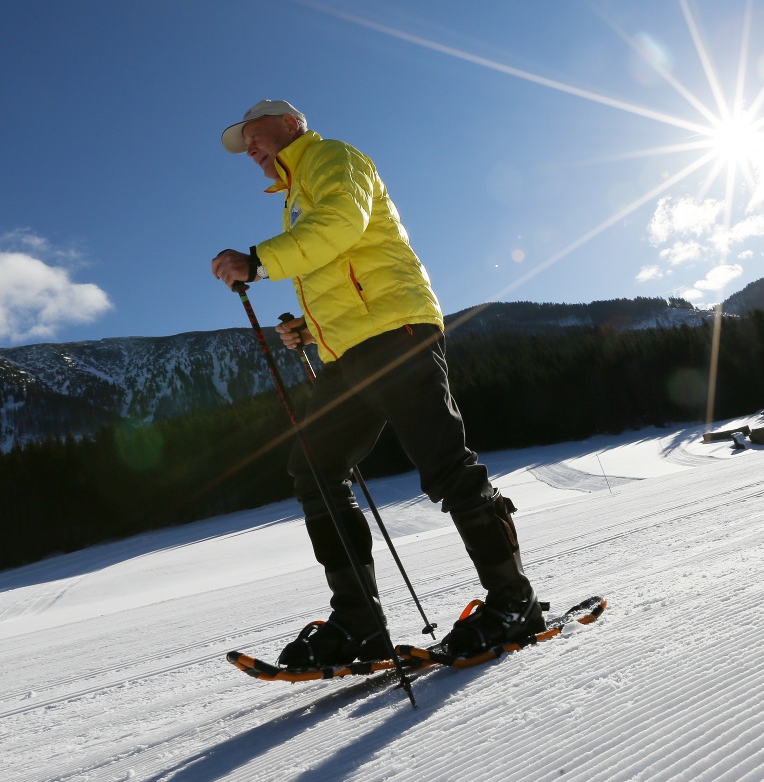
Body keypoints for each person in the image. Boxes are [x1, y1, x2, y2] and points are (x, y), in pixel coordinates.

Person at [211, 100, 542, 669]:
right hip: (350, 349)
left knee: (445, 464)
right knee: (314, 469)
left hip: (395, 331)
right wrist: (310, 328)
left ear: (290, 125)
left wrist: (259, 262)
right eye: (244, 146)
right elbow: (342, 267)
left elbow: (342, 224)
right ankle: (359, 624)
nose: (250, 149)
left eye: (254, 135)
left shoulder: (331, 158)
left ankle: (514, 602)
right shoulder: (296, 193)